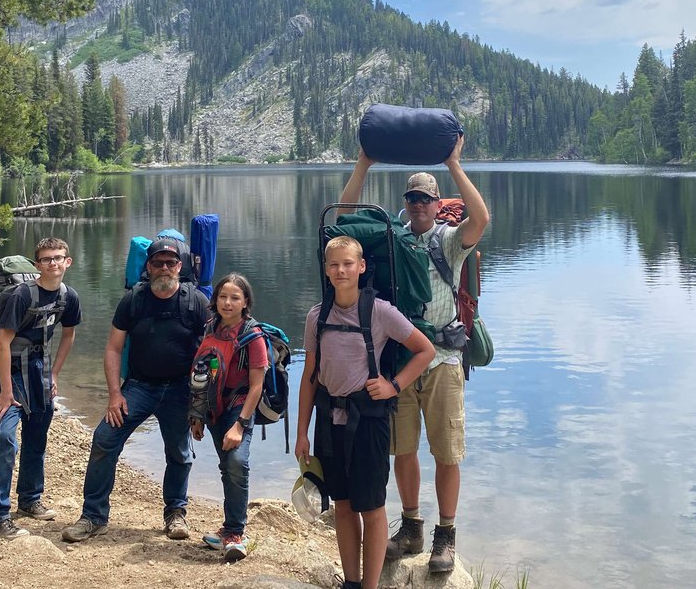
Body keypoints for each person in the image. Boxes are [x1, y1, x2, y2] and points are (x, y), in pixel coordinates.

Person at [339, 133, 490, 572]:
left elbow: (480, 218)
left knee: (447, 453)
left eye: (425, 198)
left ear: (436, 201)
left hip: (443, 360)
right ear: (405, 202)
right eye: (412, 198)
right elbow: (344, 220)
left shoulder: (450, 241)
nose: (418, 204)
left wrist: (454, 165)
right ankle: (411, 526)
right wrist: (364, 163)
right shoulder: (391, 238)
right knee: (402, 450)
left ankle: (446, 534)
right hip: (401, 364)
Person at [296, 236, 436, 589]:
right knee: (342, 505)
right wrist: (301, 432)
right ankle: (352, 582)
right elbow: (310, 377)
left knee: (372, 508)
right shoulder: (317, 316)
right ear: (326, 270)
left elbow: (425, 350)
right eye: (333, 265)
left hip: (369, 421)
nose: (341, 270)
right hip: (329, 421)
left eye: (348, 264)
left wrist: (394, 385)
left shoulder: (380, 311)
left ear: (361, 267)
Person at [62, 237, 209, 542]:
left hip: (181, 388)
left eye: (170, 263)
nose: (164, 268)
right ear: (148, 266)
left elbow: (211, 355)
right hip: (139, 387)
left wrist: (200, 405)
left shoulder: (195, 302)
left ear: (180, 267)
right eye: (158, 262)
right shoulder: (134, 300)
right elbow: (114, 348)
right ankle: (93, 516)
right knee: (105, 438)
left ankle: (175, 514)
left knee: (180, 453)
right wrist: (115, 394)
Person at [0, 237, 82, 539]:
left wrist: (54, 374)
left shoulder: (69, 296)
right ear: (37, 264)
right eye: (46, 259)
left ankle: (29, 499)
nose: (53, 263)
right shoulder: (21, 296)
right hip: (10, 373)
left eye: (58, 258)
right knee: (5, 439)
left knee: (37, 437)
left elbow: (68, 335)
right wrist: (5, 392)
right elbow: (2, 342)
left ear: (68, 262)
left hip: (40, 373)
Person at [190, 272, 267, 563]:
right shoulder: (211, 327)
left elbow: (257, 385)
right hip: (213, 407)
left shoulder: (252, 335)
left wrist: (240, 424)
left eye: (235, 297)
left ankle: (236, 533)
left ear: (246, 301)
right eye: (223, 296)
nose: (227, 302)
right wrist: (196, 416)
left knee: (236, 462)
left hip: (239, 407)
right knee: (226, 465)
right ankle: (228, 529)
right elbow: (200, 372)